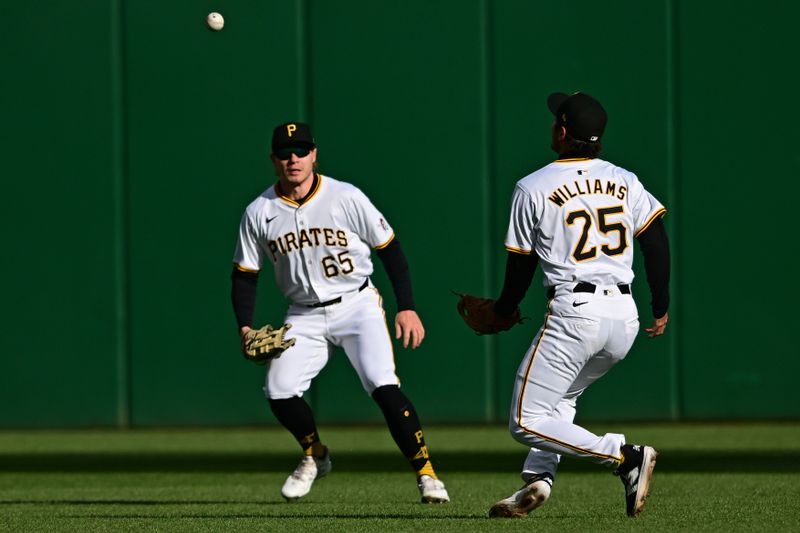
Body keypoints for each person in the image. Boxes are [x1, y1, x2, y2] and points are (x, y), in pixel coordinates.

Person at [230, 121, 449, 504]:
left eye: (301, 150)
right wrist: (245, 327)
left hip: (357, 304)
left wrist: (407, 308)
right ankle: (315, 454)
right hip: (303, 314)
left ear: (314, 154)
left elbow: (390, 250)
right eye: (285, 152)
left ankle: (427, 475)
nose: (293, 159)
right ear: (273, 160)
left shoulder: (345, 196)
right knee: (279, 391)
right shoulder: (259, 211)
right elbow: (245, 275)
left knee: (383, 385)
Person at [486, 92, 670, 518]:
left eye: (556, 121)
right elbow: (656, 243)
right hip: (623, 319)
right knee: (560, 399)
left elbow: (521, 263)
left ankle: (624, 457)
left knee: (524, 420)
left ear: (563, 131)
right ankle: (538, 479)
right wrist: (660, 305)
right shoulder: (625, 179)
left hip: (576, 314)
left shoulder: (531, 186)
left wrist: (503, 309)